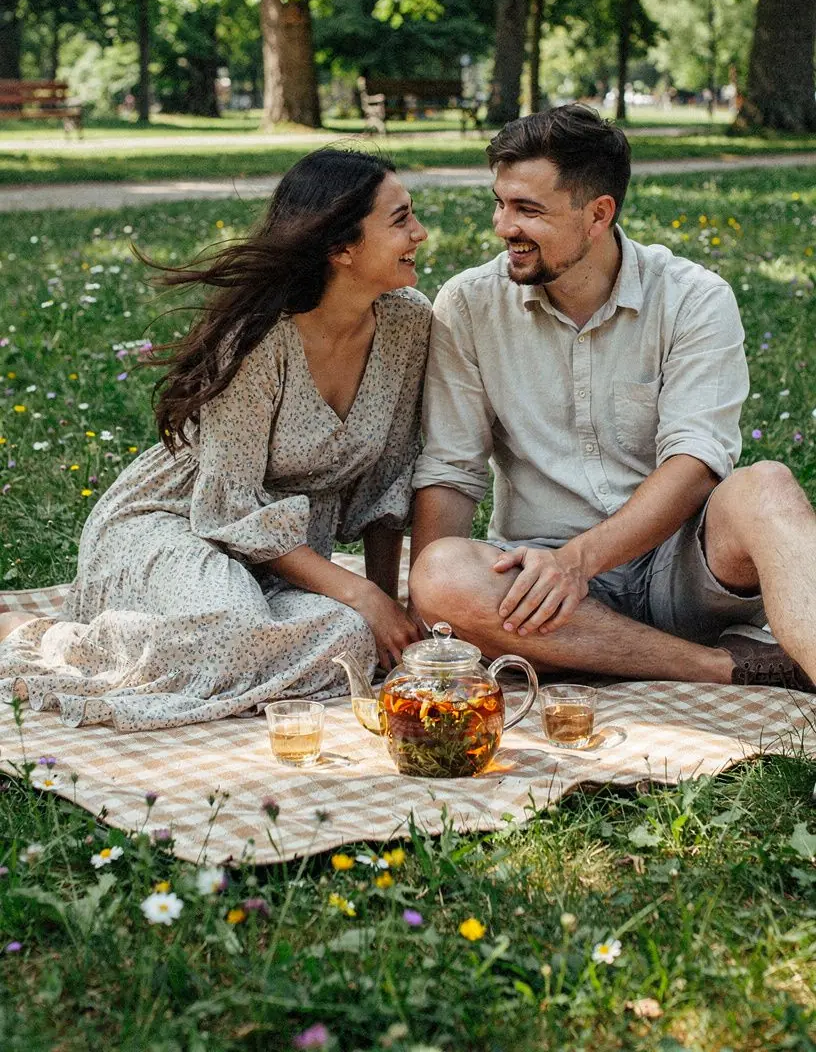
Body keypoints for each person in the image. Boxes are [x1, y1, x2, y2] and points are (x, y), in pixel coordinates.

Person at [0, 150, 431, 730]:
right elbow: (227, 502)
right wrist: (356, 592)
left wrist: (382, 612)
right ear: (341, 247)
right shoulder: (257, 336)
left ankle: (223, 648)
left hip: (285, 562)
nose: (420, 233)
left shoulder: (408, 321)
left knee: (348, 640)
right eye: (400, 219)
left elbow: (390, 477)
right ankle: (42, 638)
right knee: (233, 631)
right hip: (177, 521)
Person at [410, 106, 816, 690]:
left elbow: (696, 463)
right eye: (500, 203)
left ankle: (602, 653)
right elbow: (450, 470)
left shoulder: (694, 298)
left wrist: (582, 560)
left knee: (767, 485)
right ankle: (720, 668)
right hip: (538, 579)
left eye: (528, 209)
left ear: (598, 214)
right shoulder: (469, 305)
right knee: (442, 572)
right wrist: (432, 617)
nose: (503, 227)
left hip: (681, 564)